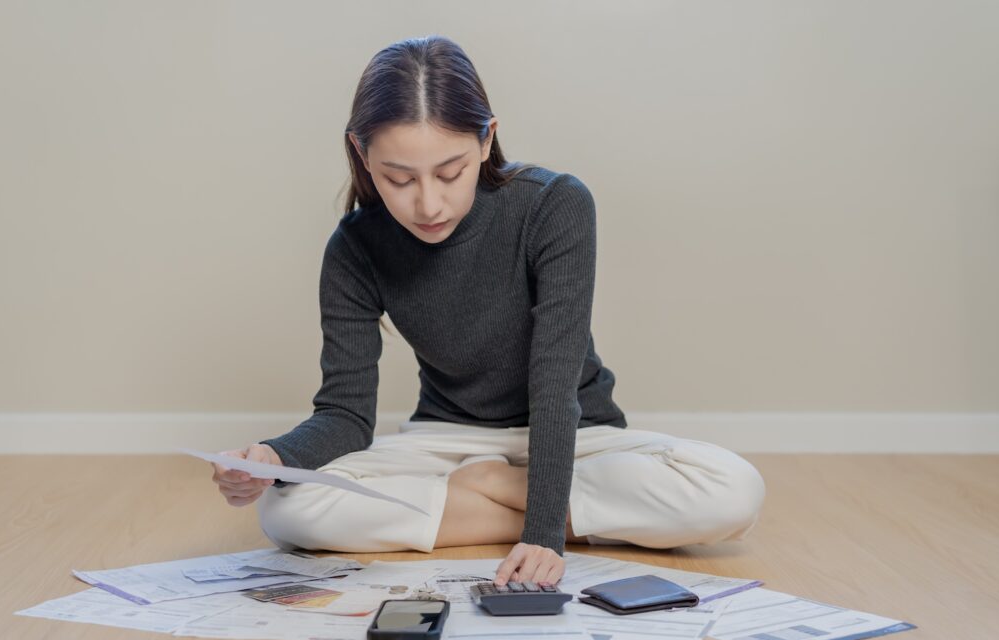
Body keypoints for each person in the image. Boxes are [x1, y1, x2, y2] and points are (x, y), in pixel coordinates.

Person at [211, 35, 765, 588]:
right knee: (286, 511)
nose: (428, 204)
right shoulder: (355, 247)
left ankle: (492, 498)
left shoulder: (555, 204)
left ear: (486, 140)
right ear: (361, 153)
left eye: (449, 172)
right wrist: (273, 458)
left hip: (576, 433)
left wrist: (543, 536)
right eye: (399, 179)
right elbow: (346, 415)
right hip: (447, 439)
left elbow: (554, 387)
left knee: (733, 489)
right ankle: (584, 515)